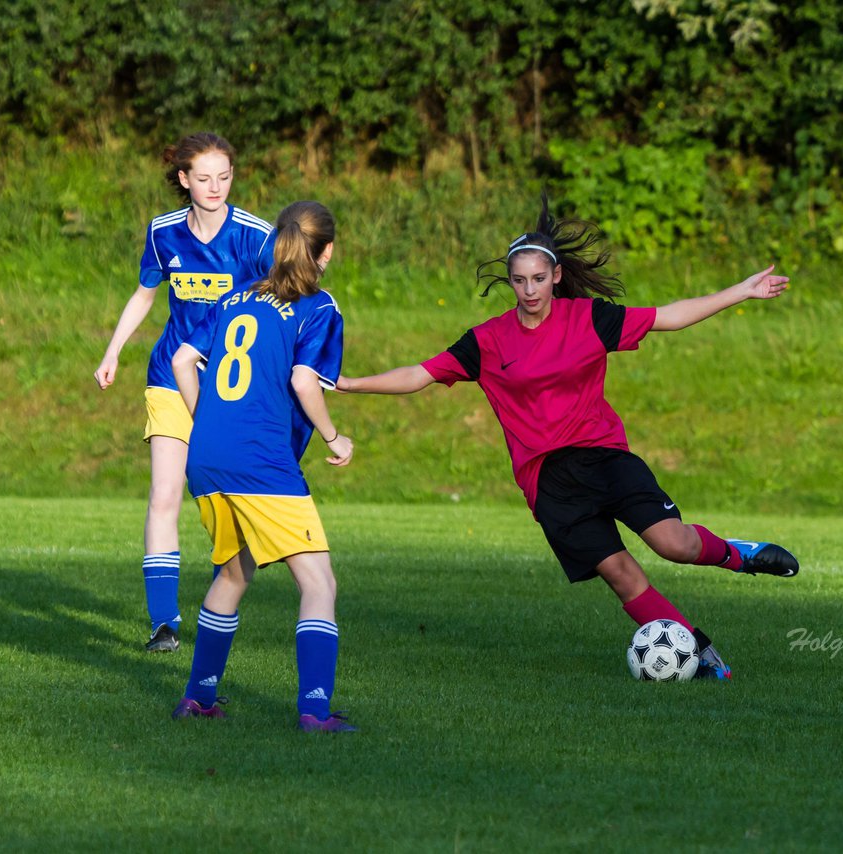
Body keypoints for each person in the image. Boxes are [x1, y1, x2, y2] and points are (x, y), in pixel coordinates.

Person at [337, 197, 799, 679]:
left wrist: (740, 292)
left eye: (538, 278)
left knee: (673, 545)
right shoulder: (488, 340)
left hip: (602, 457)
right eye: (519, 280)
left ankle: (739, 555)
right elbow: (419, 374)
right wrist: (350, 384)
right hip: (547, 484)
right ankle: (698, 655)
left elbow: (670, 316)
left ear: (556, 276)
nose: (529, 289)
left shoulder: (588, 318)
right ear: (510, 281)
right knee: (622, 577)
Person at [168, 200, 356, 732]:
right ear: (327, 251)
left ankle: (198, 698)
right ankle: (315, 713)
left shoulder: (238, 295)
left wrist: (206, 422)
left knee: (233, 571)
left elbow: (183, 359)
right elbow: (303, 381)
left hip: (205, 457)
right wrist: (335, 437)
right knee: (319, 584)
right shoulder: (319, 307)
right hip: (261, 462)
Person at [94, 132, 276, 653]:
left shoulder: (255, 237)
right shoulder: (163, 232)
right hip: (170, 378)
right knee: (165, 494)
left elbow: (279, 305)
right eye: (203, 177)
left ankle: (226, 600)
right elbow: (144, 294)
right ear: (183, 179)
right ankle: (163, 625)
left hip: (230, 387)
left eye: (224, 176)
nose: (215, 186)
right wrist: (113, 351)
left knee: (227, 501)